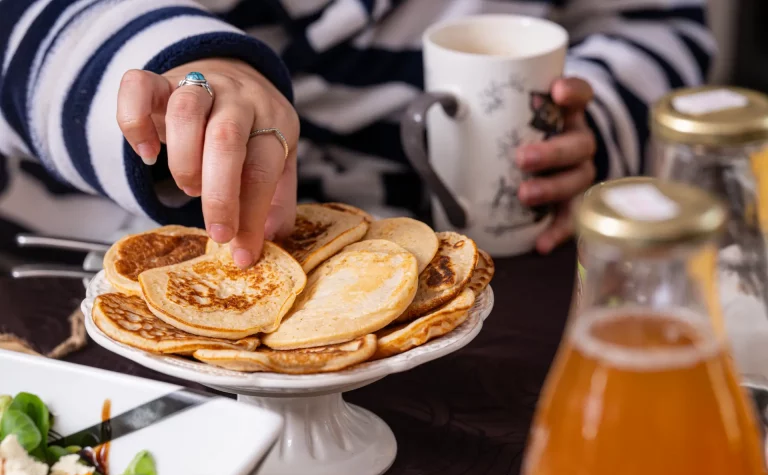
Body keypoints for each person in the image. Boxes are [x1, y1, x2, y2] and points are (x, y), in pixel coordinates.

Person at [0, 0, 715, 267]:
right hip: (86, 264)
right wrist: (193, 73)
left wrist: (600, 126)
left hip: (511, 270)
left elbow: (658, 25)